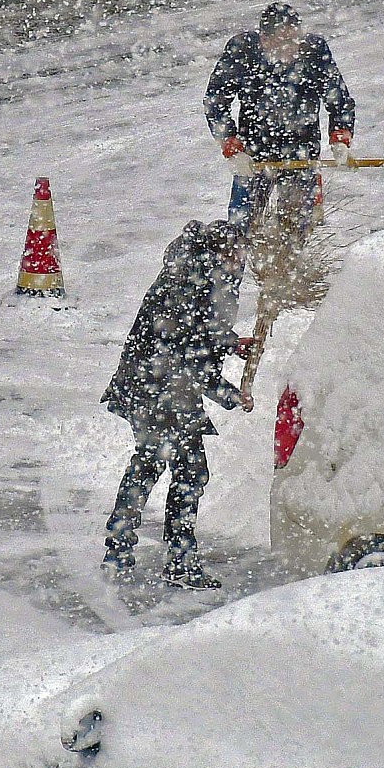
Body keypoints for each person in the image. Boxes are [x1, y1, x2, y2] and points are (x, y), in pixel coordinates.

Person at [101, 219, 250, 589]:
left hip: (154, 387)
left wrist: (230, 344)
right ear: (220, 253)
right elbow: (190, 355)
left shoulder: (193, 275)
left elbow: (200, 332)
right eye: (236, 255)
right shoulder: (191, 284)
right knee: (187, 473)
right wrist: (231, 395)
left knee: (152, 465)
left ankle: (120, 549)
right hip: (158, 390)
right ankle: (178, 562)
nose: (241, 262)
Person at [204, 2, 355, 345]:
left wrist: (340, 138)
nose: (288, 50)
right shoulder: (242, 52)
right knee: (238, 233)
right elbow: (215, 100)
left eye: (294, 41)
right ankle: (221, 317)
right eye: (280, 42)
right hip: (254, 160)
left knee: (297, 226)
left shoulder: (314, 51)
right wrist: (232, 146)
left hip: (301, 157)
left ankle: (284, 297)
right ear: (265, 39)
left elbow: (339, 99)